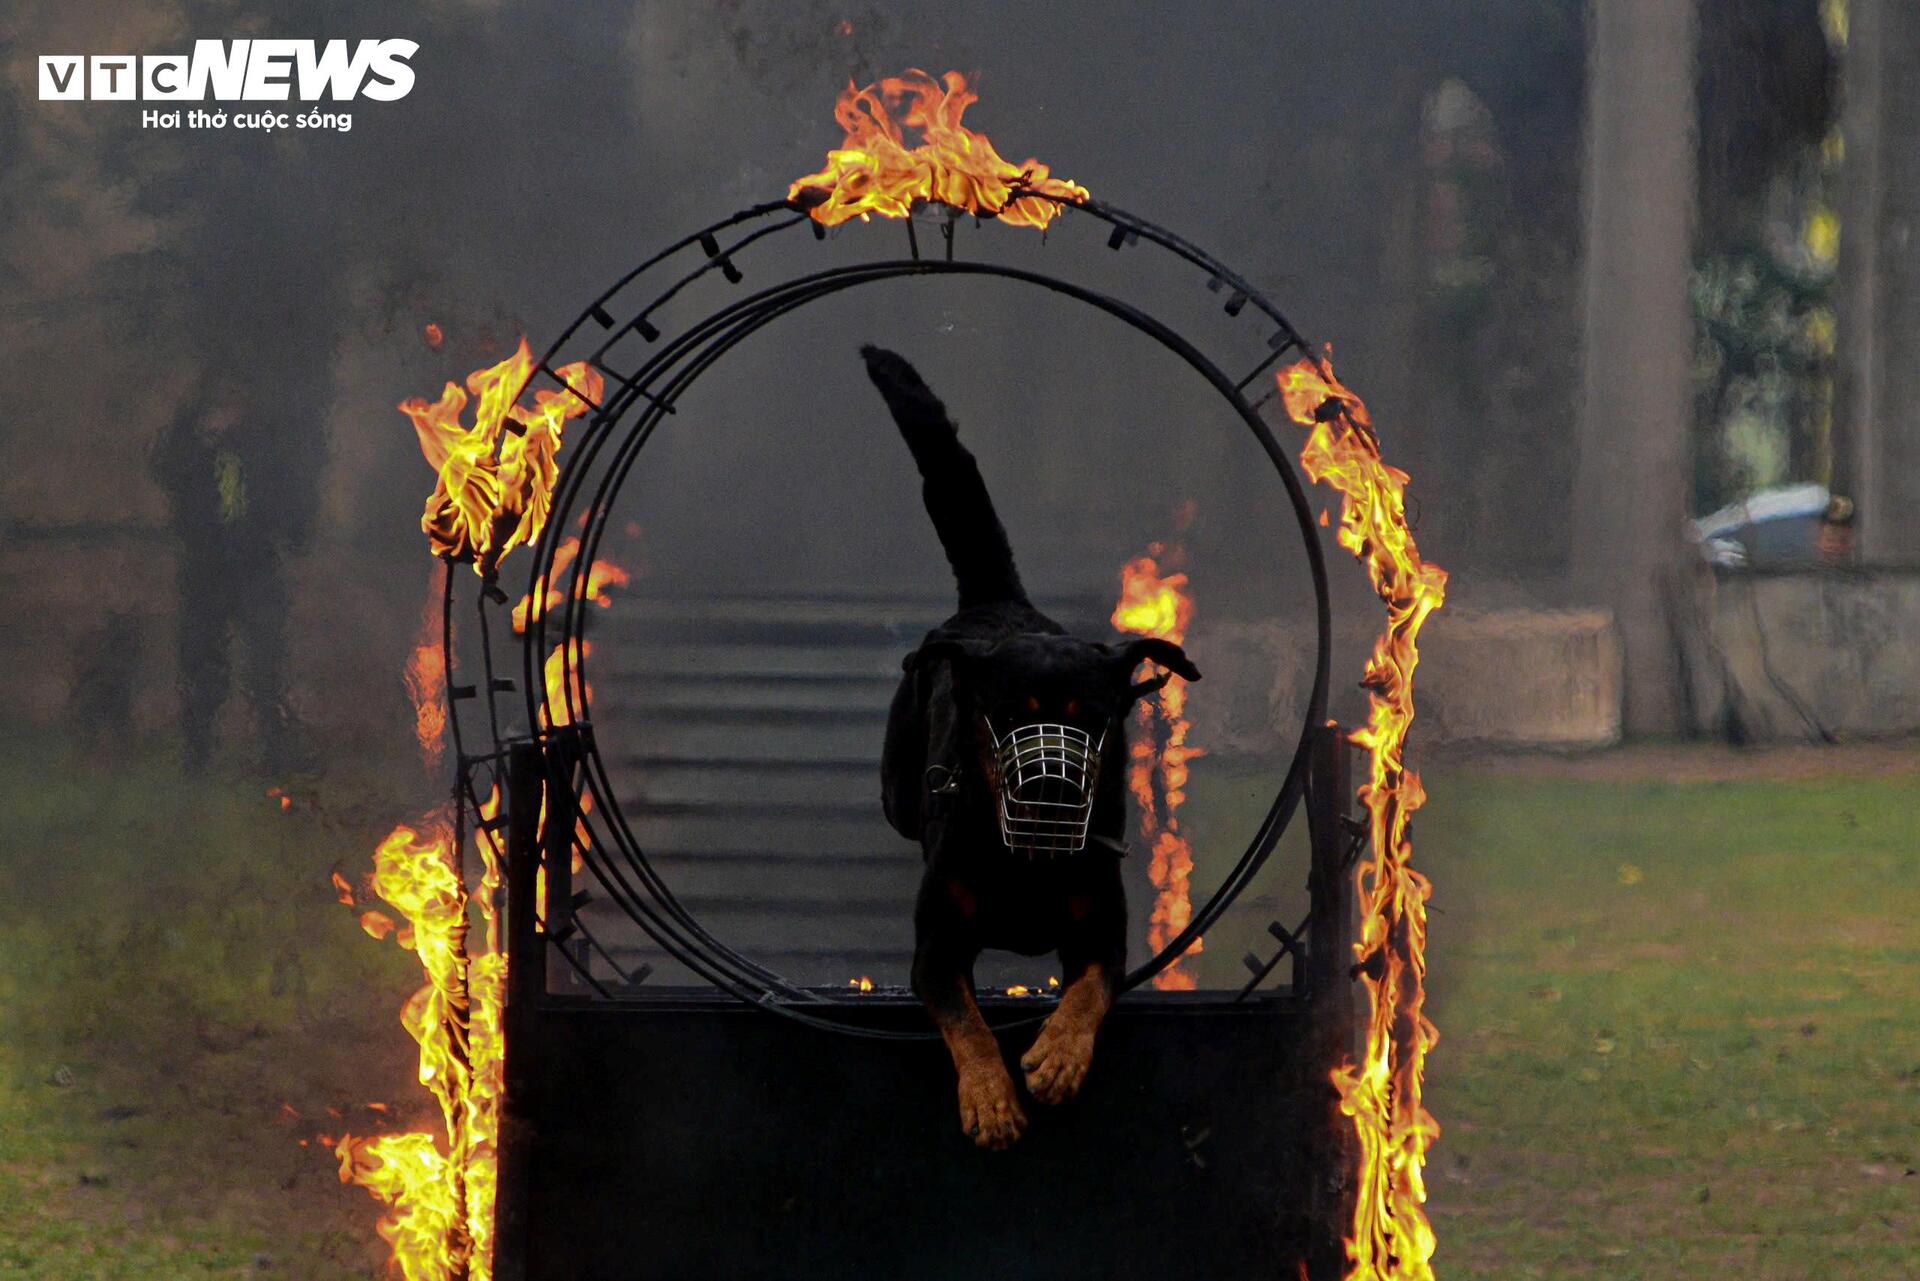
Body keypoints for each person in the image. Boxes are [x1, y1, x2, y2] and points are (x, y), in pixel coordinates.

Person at [150, 372, 304, 775]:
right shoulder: (188, 442)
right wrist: (202, 441)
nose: (225, 415)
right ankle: (197, 755)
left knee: (266, 664)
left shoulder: (259, 443)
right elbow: (167, 470)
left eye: (232, 407)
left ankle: (274, 750)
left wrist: (288, 534)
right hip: (206, 569)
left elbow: (280, 489)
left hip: (255, 566)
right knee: (202, 663)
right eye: (219, 407)